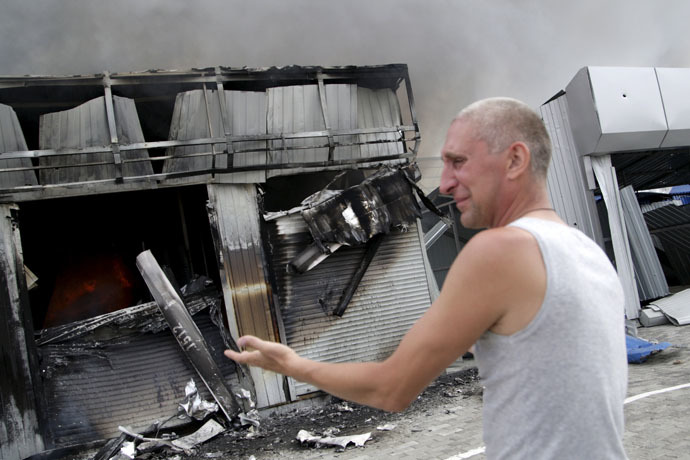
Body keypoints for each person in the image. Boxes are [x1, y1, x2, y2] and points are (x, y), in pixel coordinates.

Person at [225, 97, 628, 459]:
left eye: (458, 162)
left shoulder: (499, 251)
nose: (446, 183)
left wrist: (295, 365)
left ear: (515, 160)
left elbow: (392, 389)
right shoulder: (587, 252)